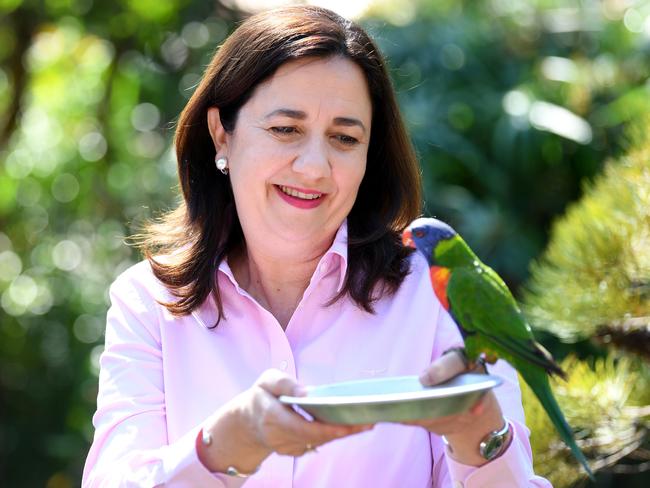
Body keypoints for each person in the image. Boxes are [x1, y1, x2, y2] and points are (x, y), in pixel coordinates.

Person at [82, 6, 551, 487]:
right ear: (222, 133)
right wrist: (223, 445)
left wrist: (480, 436)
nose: (313, 167)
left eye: (344, 138)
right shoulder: (148, 304)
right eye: (286, 129)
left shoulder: (437, 295)